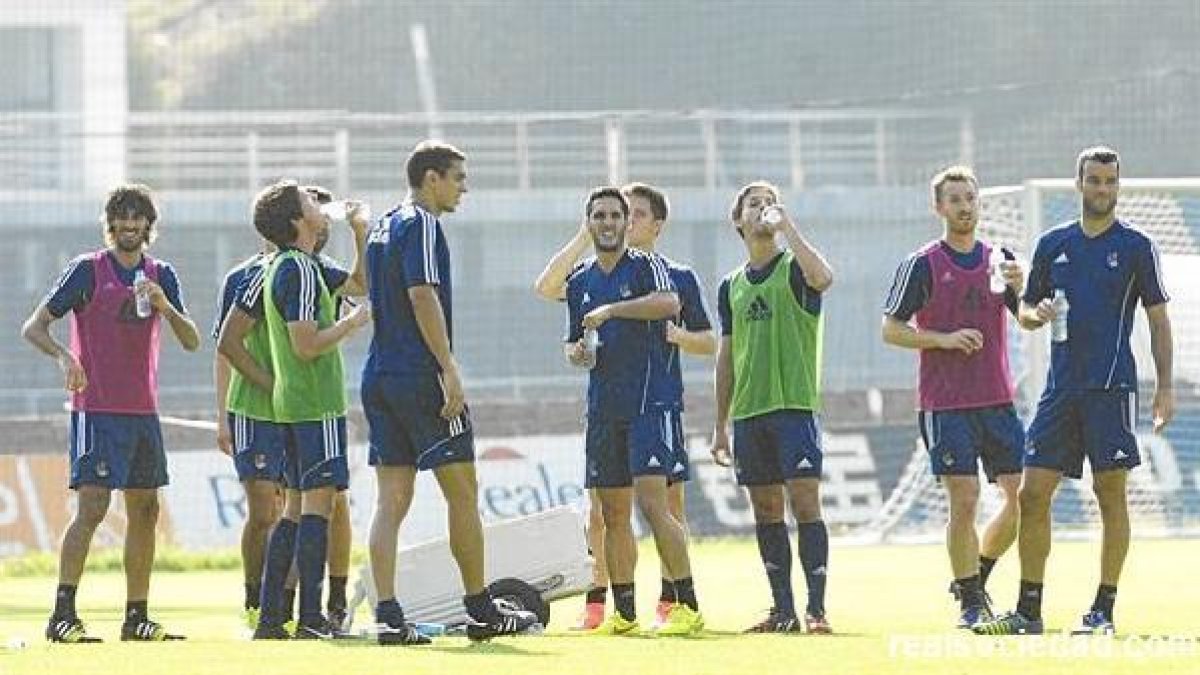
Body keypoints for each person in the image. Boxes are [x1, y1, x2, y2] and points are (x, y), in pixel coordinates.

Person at [974, 146, 1174, 636]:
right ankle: (1029, 612)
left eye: (1110, 181)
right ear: (1079, 183)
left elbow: (1158, 318)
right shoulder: (1052, 243)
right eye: (1094, 180)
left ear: (1117, 187)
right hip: (1059, 391)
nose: (1102, 189)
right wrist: (1030, 311)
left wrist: (1164, 387)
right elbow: (1025, 314)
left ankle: (1103, 610)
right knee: (1031, 494)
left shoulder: (1136, 246)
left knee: (1110, 496)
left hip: (1111, 388)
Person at [361, 140, 539, 645]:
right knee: (462, 491)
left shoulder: (381, 224)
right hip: (421, 376)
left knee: (391, 499)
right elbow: (422, 294)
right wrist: (449, 367)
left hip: (380, 375)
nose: (465, 187)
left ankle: (389, 615)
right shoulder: (421, 223)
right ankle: (481, 609)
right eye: (459, 177)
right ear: (431, 178)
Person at [21, 183, 200, 643]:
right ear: (110, 223)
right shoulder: (87, 270)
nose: (129, 225)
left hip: (143, 411)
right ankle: (62, 615)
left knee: (145, 509)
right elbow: (34, 327)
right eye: (121, 217)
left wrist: (165, 305)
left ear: (148, 226)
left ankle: (136, 617)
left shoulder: (162, 275)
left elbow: (192, 339)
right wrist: (65, 357)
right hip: (96, 409)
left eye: (137, 217)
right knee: (93, 507)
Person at [534, 182, 715, 630]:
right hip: (604, 409)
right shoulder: (581, 279)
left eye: (620, 216)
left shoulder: (650, 265)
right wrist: (576, 352)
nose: (614, 223)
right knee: (611, 513)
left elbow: (669, 303)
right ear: (590, 221)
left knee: (656, 506)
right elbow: (572, 336)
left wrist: (613, 310)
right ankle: (625, 614)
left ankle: (684, 605)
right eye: (602, 216)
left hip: (650, 404)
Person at [214, 185, 366, 632]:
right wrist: (351, 323)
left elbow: (359, 283)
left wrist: (360, 233)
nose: (321, 208)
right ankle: (313, 616)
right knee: (317, 508)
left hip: (296, 406)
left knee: (296, 510)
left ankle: (273, 616)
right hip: (313, 405)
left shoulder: (295, 264)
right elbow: (305, 345)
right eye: (311, 202)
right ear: (299, 221)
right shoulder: (297, 269)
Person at [881, 166, 1025, 628]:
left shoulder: (999, 258)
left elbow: (1026, 317)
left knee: (1020, 497)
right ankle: (970, 603)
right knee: (963, 500)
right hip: (946, 404)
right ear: (939, 207)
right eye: (955, 199)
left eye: (970, 198)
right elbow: (891, 329)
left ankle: (974, 576)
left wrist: (1028, 294)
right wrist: (943, 339)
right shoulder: (922, 264)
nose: (965, 206)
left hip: (998, 399)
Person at [710, 181, 835, 634]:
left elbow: (824, 278)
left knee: (804, 501)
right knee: (765, 509)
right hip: (749, 412)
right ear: (738, 221)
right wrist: (719, 424)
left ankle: (817, 610)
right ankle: (782, 610)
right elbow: (726, 356)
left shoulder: (795, 268)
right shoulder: (731, 286)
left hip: (794, 406)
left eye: (769, 202)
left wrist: (790, 228)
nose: (763, 208)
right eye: (753, 203)